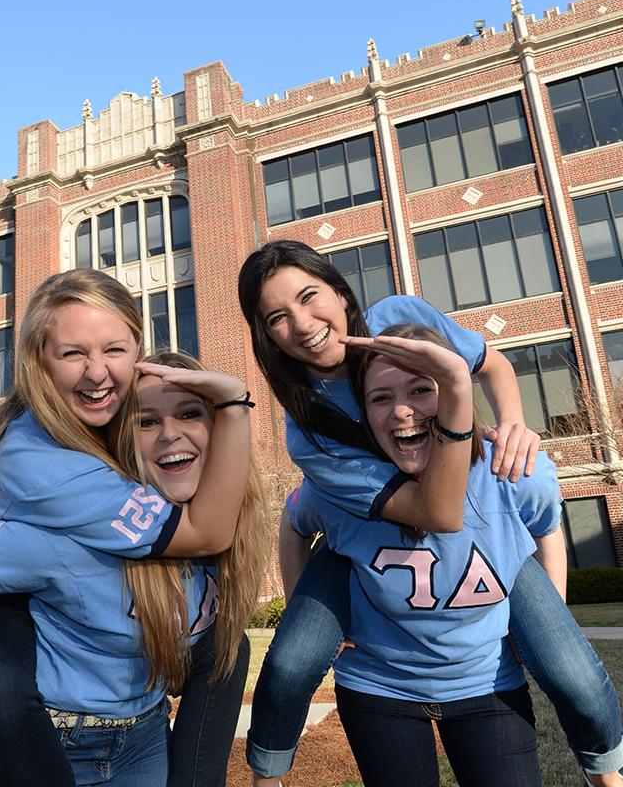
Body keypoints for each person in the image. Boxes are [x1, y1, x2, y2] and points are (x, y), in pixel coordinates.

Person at [238, 239, 623, 787]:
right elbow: (426, 513)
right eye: (277, 317)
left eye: (309, 296)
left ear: (340, 292)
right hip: (374, 521)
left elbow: (495, 365)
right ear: (265, 336)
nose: (302, 324)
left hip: (475, 520)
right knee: (290, 663)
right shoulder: (309, 431)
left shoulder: (399, 319)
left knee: (573, 674)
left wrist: (511, 426)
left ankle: (607, 773)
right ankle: (268, 773)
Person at [0, 268, 258, 787]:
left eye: (114, 350)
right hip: (59, 739)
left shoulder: (151, 483)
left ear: (137, 348)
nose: (97, 372)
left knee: (230, 647)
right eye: (73, 352)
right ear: (40, 364)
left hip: (142, 735)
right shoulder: (62, 489)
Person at [287, 323, 561, 785]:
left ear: (455, 392)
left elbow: (547, 531)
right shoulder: (342, 490)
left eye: (420, 389)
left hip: (488, 681)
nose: (402, 412)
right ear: (363, 414)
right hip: (377, 685)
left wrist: (542, 624)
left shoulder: (512, 471)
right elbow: (293, 523)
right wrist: (311, 620)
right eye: (379, 398)